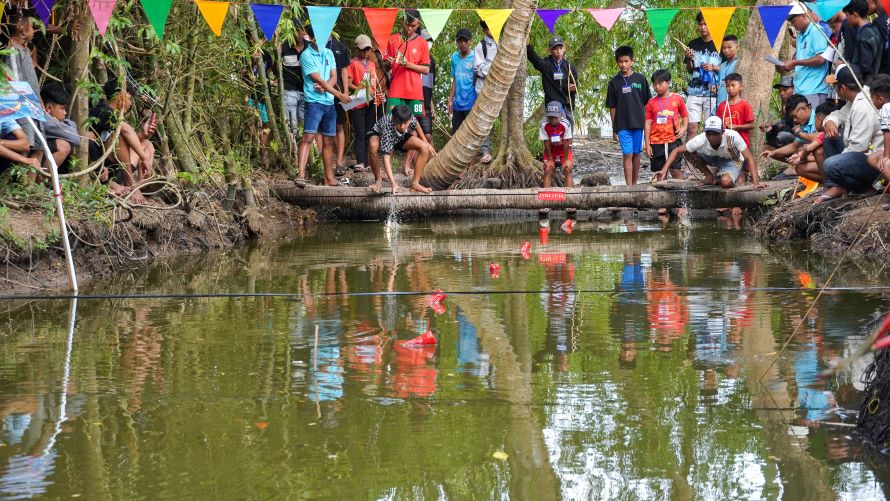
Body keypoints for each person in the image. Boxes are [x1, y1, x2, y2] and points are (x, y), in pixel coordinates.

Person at [818, 65, 883, 202]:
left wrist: (838, 162)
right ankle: (835, 185)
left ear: (842, 88)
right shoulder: (856, 98)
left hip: (875, 162)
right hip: (862, 155)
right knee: (829, 137)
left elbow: (858, 147)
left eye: (835, 86)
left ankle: (866, 187)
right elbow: (839, 114)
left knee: (830, 165)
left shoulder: (863, 106)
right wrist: (830, 122)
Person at [88, 78, 156, 201]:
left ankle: (137, 188)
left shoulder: (115, 115)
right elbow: (124, 130)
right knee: (119, 135)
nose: (130, 104)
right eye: (129, 99)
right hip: (103, 172)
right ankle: (131, 184)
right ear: (120, 96)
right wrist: (144, 158)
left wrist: (142, 135)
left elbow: (127, 140)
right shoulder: (103, 110)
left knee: (147, 144)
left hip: (117, 168)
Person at [297, 33, 351, 186]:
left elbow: (333, 75)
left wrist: (326, 86)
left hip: (329, 102)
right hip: (313, 102)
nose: (326, 37)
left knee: (329, 140)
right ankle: (301, 175)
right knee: (308, 136)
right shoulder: (306, 55)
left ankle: (329, 178)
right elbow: (317, 78)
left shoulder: (329, 52)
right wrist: (339, 94)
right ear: (313, 37)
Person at [656, 116, 764, 189]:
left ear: (722, 132)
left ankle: (717, 180)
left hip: (731, 159)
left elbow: (749, 157)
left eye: (715, 134)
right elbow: (677, 150)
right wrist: (664, 170)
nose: (712, 137)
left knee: (726, 182)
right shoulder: (701, 139)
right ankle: (709, 176)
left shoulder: (732, 136)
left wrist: (756, 183)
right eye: (709, 133)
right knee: (688, 151)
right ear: (705, 133)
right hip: (710, 158)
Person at [606, 46, 651, 185]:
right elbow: (612, 107)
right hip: (622, 125)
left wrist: (649, 124)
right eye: (620, 61)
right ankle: (629, 187)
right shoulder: (614, 82)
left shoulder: (641, 79)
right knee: (628, 154)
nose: (623, 64)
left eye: (626, 61)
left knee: (637, 153)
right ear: (616, 62)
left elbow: (647, 104)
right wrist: (614, 128)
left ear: (632, 61)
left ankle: (635, 184)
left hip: (638, 123)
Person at [367, 104, 436, 194]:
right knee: (373, 145)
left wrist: (426, 142)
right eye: (399, 123)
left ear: (410, 119)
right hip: (381, 135)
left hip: (400, 137)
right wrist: (393, 184)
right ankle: (378, 181)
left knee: (424, 147)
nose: (402, 126)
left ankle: (415, 183)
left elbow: (417, 125)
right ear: (393, 119)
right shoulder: (388, 127)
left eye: (405, 123)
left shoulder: (410, 118)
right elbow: (386, 159)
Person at [347, 34, 386, 174]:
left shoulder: (372, 65)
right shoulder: (353, 63)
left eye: (367, 49)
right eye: (363, 49)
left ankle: (369, 162)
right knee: (360, 132)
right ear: (357, 49)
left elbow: (374, 83)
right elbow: (349, 83)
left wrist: (377, 93)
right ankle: (360, 162)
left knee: (370, 132)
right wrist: (360, 90)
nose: (365, 52)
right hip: (358, 102)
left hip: (371, 102)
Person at [778, 5, 831, 108]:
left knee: (812, 122)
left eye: (794, 21)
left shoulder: (816, 31)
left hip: (814, 89)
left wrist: (795, 63)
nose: (792, 24)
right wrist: (787, 65)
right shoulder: (800, 36)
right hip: (800, 88)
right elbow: (802, 60)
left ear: (803, 15)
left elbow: (821, 59)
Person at [761, 95, 822, 182]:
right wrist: (773, 152)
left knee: (803, 150)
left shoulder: (819, 118)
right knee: (800, 164)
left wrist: (800, 135)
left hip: (827, 158)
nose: (794, 120)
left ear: (804, 109)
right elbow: (794, 146)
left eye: (794, 116)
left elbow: (822, 136)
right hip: (817, 159)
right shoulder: (804, 124)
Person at [4, 9, 41, 150]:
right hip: (23, 105)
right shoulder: (13, 50)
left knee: (39, 148)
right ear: (22, 28)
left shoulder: (24, 50)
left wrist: (40, 103)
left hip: (35, 105)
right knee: (26, 145)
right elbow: (16, 81)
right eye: (32, 27)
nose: (34, 31)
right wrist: (27, 105)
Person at [645, 69, 688, 181]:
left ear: (668, 82)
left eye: (660, 83)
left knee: (676, 170)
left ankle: (682, 195)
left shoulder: (677, 98)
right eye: (654, 84)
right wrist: (647, 144)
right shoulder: (651, 102)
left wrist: (684, 127)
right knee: (659, 174)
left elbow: (685, 115)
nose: (657, 87)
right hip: (655, 142)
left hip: (673, 141)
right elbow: (648, 123)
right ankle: (662, 196)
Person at [684, 12, 719, 140]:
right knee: (691, 127)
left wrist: (713, 67)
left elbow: (727, 67)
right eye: (700, 24)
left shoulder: (720, 44)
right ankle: (689, 159)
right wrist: (688, 59)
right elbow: (690, 69)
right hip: (694, 91)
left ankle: (709, 158)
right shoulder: (693, 44)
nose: (703, 27)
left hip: (713, 93)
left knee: (711, 128)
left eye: (706, 24)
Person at [527, 36, 578, 123]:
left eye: (560, 48)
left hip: (568, 107)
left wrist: (573, 88)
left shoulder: (569, 67)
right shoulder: (546, 65)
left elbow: (575, 87)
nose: (558, 51)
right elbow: (535, 59)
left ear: (564, 48)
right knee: (556, 133)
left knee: (568, 134)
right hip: (553, 107)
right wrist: (528, 46)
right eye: (555, 49)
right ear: (550, 50)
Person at [786, 100, 838, 183]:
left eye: (814, 118)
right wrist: (800, 156)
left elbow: (809, 148)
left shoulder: (824, 134)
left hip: (837, 165)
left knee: (818, 151)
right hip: (838, 162)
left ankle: (830, 184)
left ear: (819, 119)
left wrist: (801, 157)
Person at [37, 82, 80, 173]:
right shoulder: (45, 120)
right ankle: (41, 182)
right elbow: (75, 137)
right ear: (49, 107)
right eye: (62, 108)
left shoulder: (51, 120)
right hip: (34, 152)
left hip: (40, 151)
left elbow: (72, 124)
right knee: (63, 145)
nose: (65, 113)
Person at [326, 33, 351, 176]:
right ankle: (324, 161)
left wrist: (346, 92)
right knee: (321, 127)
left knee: (339, 126)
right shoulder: (315, 44)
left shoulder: (340, 46)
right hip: (320, 91)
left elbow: (344, 70)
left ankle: (340, 161)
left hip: (339, 91)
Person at [843, 0, 883, 82]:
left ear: (855, 14)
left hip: (867, 83)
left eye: (847, 16)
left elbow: (865, 67)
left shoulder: (863, 35)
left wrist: (846, 65)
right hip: (877, 78)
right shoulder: (874, 29)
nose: (847, 20)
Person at [474, 20, 497, 163]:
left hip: (499, 87)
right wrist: (495, 70)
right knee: (484, 121)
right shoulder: (481, 46)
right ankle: (485, 151)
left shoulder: (502, 41)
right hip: (483, 88)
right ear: (484, 30)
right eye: (488, 28)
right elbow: (478, 68)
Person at [866, 74, 890, 208]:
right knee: (872, 158)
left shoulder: (886, 108)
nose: (871, 101)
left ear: (880, 99)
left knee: (885, 164)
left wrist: (886, 156)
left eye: (872, 98)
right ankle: (883, 185)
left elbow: (888, 133)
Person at [539, 101, 573, 189]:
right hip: (551, 151)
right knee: (548, 169)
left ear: (561, 115)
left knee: (567, 169)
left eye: (555, 117)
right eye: (550, 118)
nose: (553, 120)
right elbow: (546, 142)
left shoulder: (566, 124)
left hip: (563, 151)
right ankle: (546, 196)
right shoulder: (543, 125)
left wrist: (566, 160)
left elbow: (566, 142)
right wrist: (550, 159)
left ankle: (570, 195)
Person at [448, 29, 477, 133]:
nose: (463, 44)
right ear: (457, 42)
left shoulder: (475, 56)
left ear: (470, 41)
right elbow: (455, 79)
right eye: (460, 41)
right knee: (456, 133)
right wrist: (450, 99)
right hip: (457, 103)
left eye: (465, 41)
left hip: (471, 101)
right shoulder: (454, 58)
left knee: (470, 133)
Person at [716, 73, 755, 148]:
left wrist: (736, 127)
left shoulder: (744, 105)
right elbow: (718, 124)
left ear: (740, 87)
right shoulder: (721, 106)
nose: (730, 88)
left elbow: (752, 125)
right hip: (725, 144)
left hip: (742, 144)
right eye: (727, 86)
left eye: (733, 85)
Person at [282, 28, 308, 139]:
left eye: (302, 31)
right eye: (297, 31)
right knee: (291, 126)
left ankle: (311, 153)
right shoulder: (283, 46)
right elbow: (275, 65)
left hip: (307, 91)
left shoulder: (309, 47)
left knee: (308, 125)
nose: (300, 34)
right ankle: (293, 152)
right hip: (289, 90)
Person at [761, 76, 797, 153]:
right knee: (770, 134)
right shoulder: (785, 106)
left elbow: (794, 128)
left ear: (794, 89)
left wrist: (779, 127)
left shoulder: (798, 105)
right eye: (780, 91)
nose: (781, 93)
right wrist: (772, 127)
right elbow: (783, 123)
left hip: (798, 140)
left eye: (785, 90)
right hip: (788, 134)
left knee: (782, 134)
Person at [419, 29, 436, 144]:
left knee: (428, 135)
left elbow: (428, 86)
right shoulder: (415, 58)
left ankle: (429, 162)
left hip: (426, 104)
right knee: (415, 135)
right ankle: (411, 163)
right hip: (415, 102)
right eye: (426, 40)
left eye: (430, 41)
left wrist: (431, 105)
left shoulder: (432, 62)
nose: (428, 43)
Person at [716, 35, 739, 105]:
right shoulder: (722, 65)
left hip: (732, 105)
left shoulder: (739, 63)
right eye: (724, 48)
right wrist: (715, 88)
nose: (726, 50)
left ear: (737, 47)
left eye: (729, 47)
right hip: (720, 103)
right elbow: (719, 84)